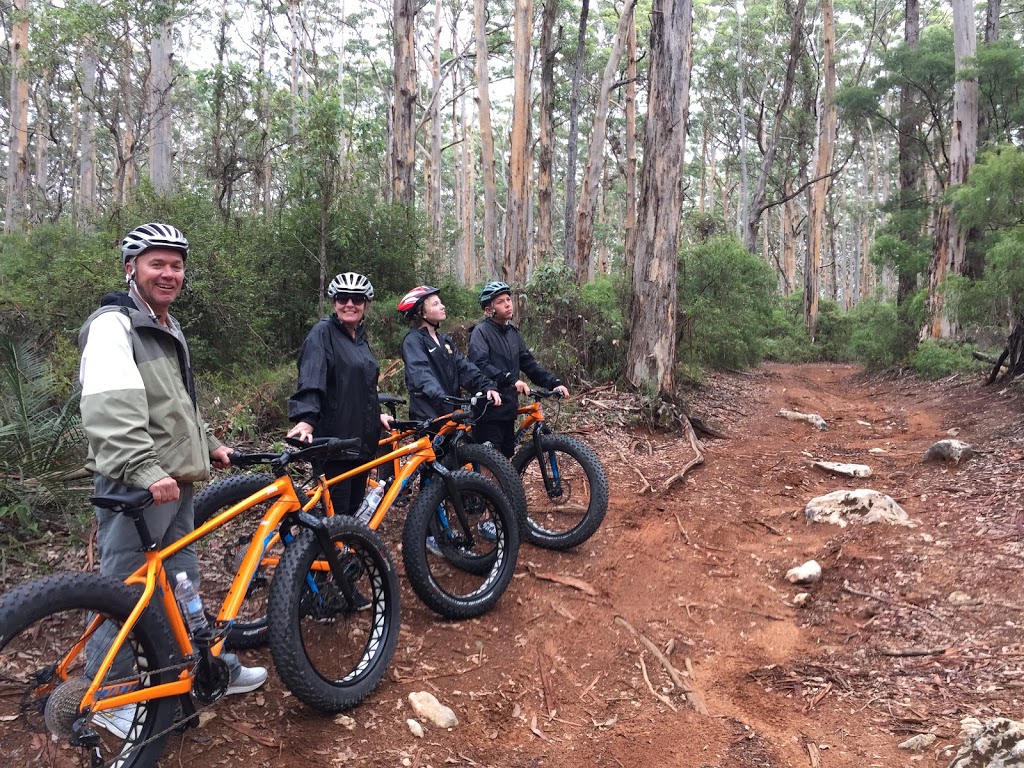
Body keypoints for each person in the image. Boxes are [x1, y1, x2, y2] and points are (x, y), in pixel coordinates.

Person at [78, 222, 266, 738]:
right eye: (156, 263)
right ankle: (110, 695)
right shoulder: (114, 325)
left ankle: (200, 665)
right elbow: (110, 409)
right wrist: (144, 469)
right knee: (124, 587)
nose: (168, 273)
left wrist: (210, 445)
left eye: (176, 264)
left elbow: (179, 405)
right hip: (139, 482)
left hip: (177, 481)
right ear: (131, 268)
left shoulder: (167, 324)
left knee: (182, 578)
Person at [286, 271, 392, 517]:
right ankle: (322, 554)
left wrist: (377, 415)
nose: (350, 304)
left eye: (357, 299)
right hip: (335, 444)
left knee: (353, 511)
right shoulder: (322, 334)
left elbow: (363, 385)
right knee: (337, 514)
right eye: (343, 298)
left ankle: (345, 553)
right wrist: (306, 418)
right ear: (334, 302)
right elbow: (312, 377)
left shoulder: (360, 338)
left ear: (365, 304)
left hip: (361, 442)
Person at [468, 281, 569, 458]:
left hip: (509, 408)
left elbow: (529, 365)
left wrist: (554, 383)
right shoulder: (481, 332)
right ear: (488, 309)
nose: (508, 304)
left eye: (508, 299)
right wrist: (510, 379)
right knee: (490, 463)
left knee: (505, 460)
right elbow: (480, 364)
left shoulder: (513, 333)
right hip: (488, 409)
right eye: (500, 301)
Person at [398, 285, 501, 420]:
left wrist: (487, 386)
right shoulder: (413, 340)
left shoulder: (444, 340)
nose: (442, 306)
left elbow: (464, 368)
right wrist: (439, 396)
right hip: (428, 417)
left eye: (441, 302)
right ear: (421, 313)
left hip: (451, 413)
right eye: (436, 304)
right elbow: (420, 372)